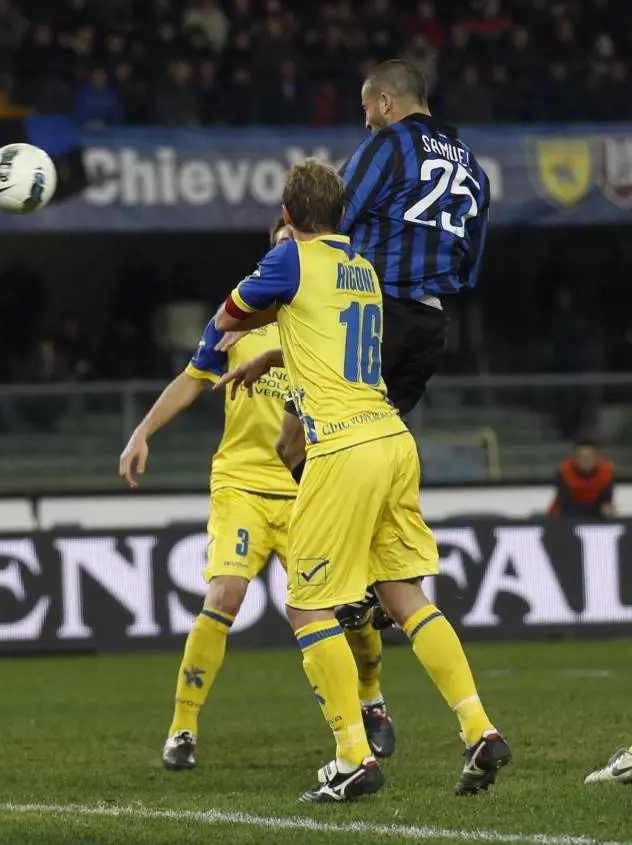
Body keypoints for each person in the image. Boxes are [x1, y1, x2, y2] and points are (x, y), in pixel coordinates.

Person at [215, 158, 509, 802]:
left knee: (306, 603)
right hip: (393, 439)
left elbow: (227, 318)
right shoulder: (363, 267)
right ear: (344, 214)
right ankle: (479, 728)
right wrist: (278, 346)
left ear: (287, 216)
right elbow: (326, 336)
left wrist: (246, 328)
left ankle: (353, 755)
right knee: (403, 594)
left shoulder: (289, 259)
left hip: (342, 447)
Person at [226, 59, 492, 651]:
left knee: (296, 443)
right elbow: (470, 262)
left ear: (389, 104)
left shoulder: (393, 144)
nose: (366, 121)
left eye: (368, 110)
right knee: (375, 443)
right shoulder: (474, 165)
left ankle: (349, 573)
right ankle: (383, 577)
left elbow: (333, 213)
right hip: (430, 323)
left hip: (371, 316)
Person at [119, 219, 393, 771]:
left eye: (297, 240)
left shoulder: (323, 322)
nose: (290, 249)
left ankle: (372, 700)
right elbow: (193, 379)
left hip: (309, 484)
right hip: (242, 481)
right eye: (282, 242)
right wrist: (143, 431)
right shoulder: (242, 322)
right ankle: (183, 729)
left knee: (349, 609)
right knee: (224, 595)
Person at [548, 440, 615, 518]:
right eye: (581, 457)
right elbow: (564, 502)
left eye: (589, 457)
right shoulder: (564, 472)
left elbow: (606, 500)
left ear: (596, 457)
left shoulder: (607, 472)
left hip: (596, 513)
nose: (586, 460)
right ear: (575, 458)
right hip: (566, 513)